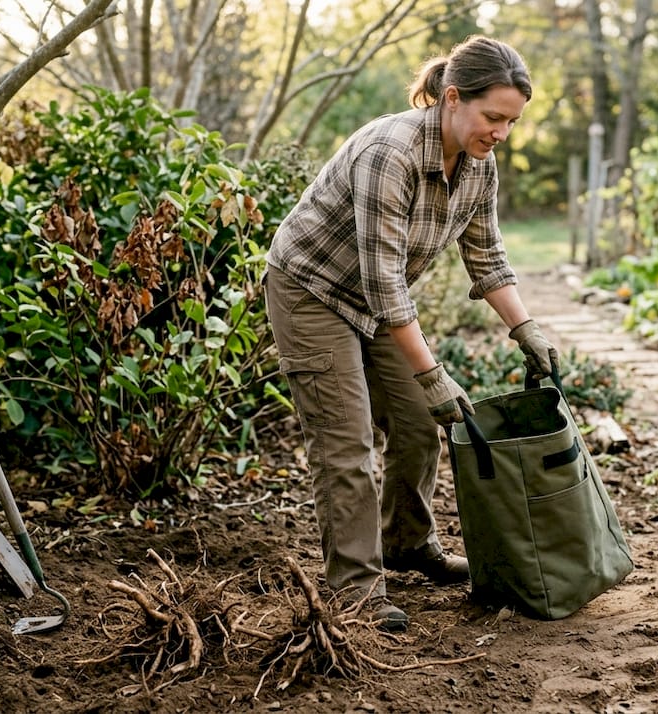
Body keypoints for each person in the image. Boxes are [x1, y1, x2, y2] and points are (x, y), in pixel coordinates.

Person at [263, 35, 559, 632]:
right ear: (452, 98)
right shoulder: (390, 152)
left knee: (422, 424)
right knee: (346, 446)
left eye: (511, 122)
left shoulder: (479, 162)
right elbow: (383, 282)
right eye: (493, 117)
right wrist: (432, 374)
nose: (501, 132)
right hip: (312, 291)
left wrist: (524, 327)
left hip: (377, 299)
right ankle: (355, 590)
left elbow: (487, 255)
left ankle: (407, 543)